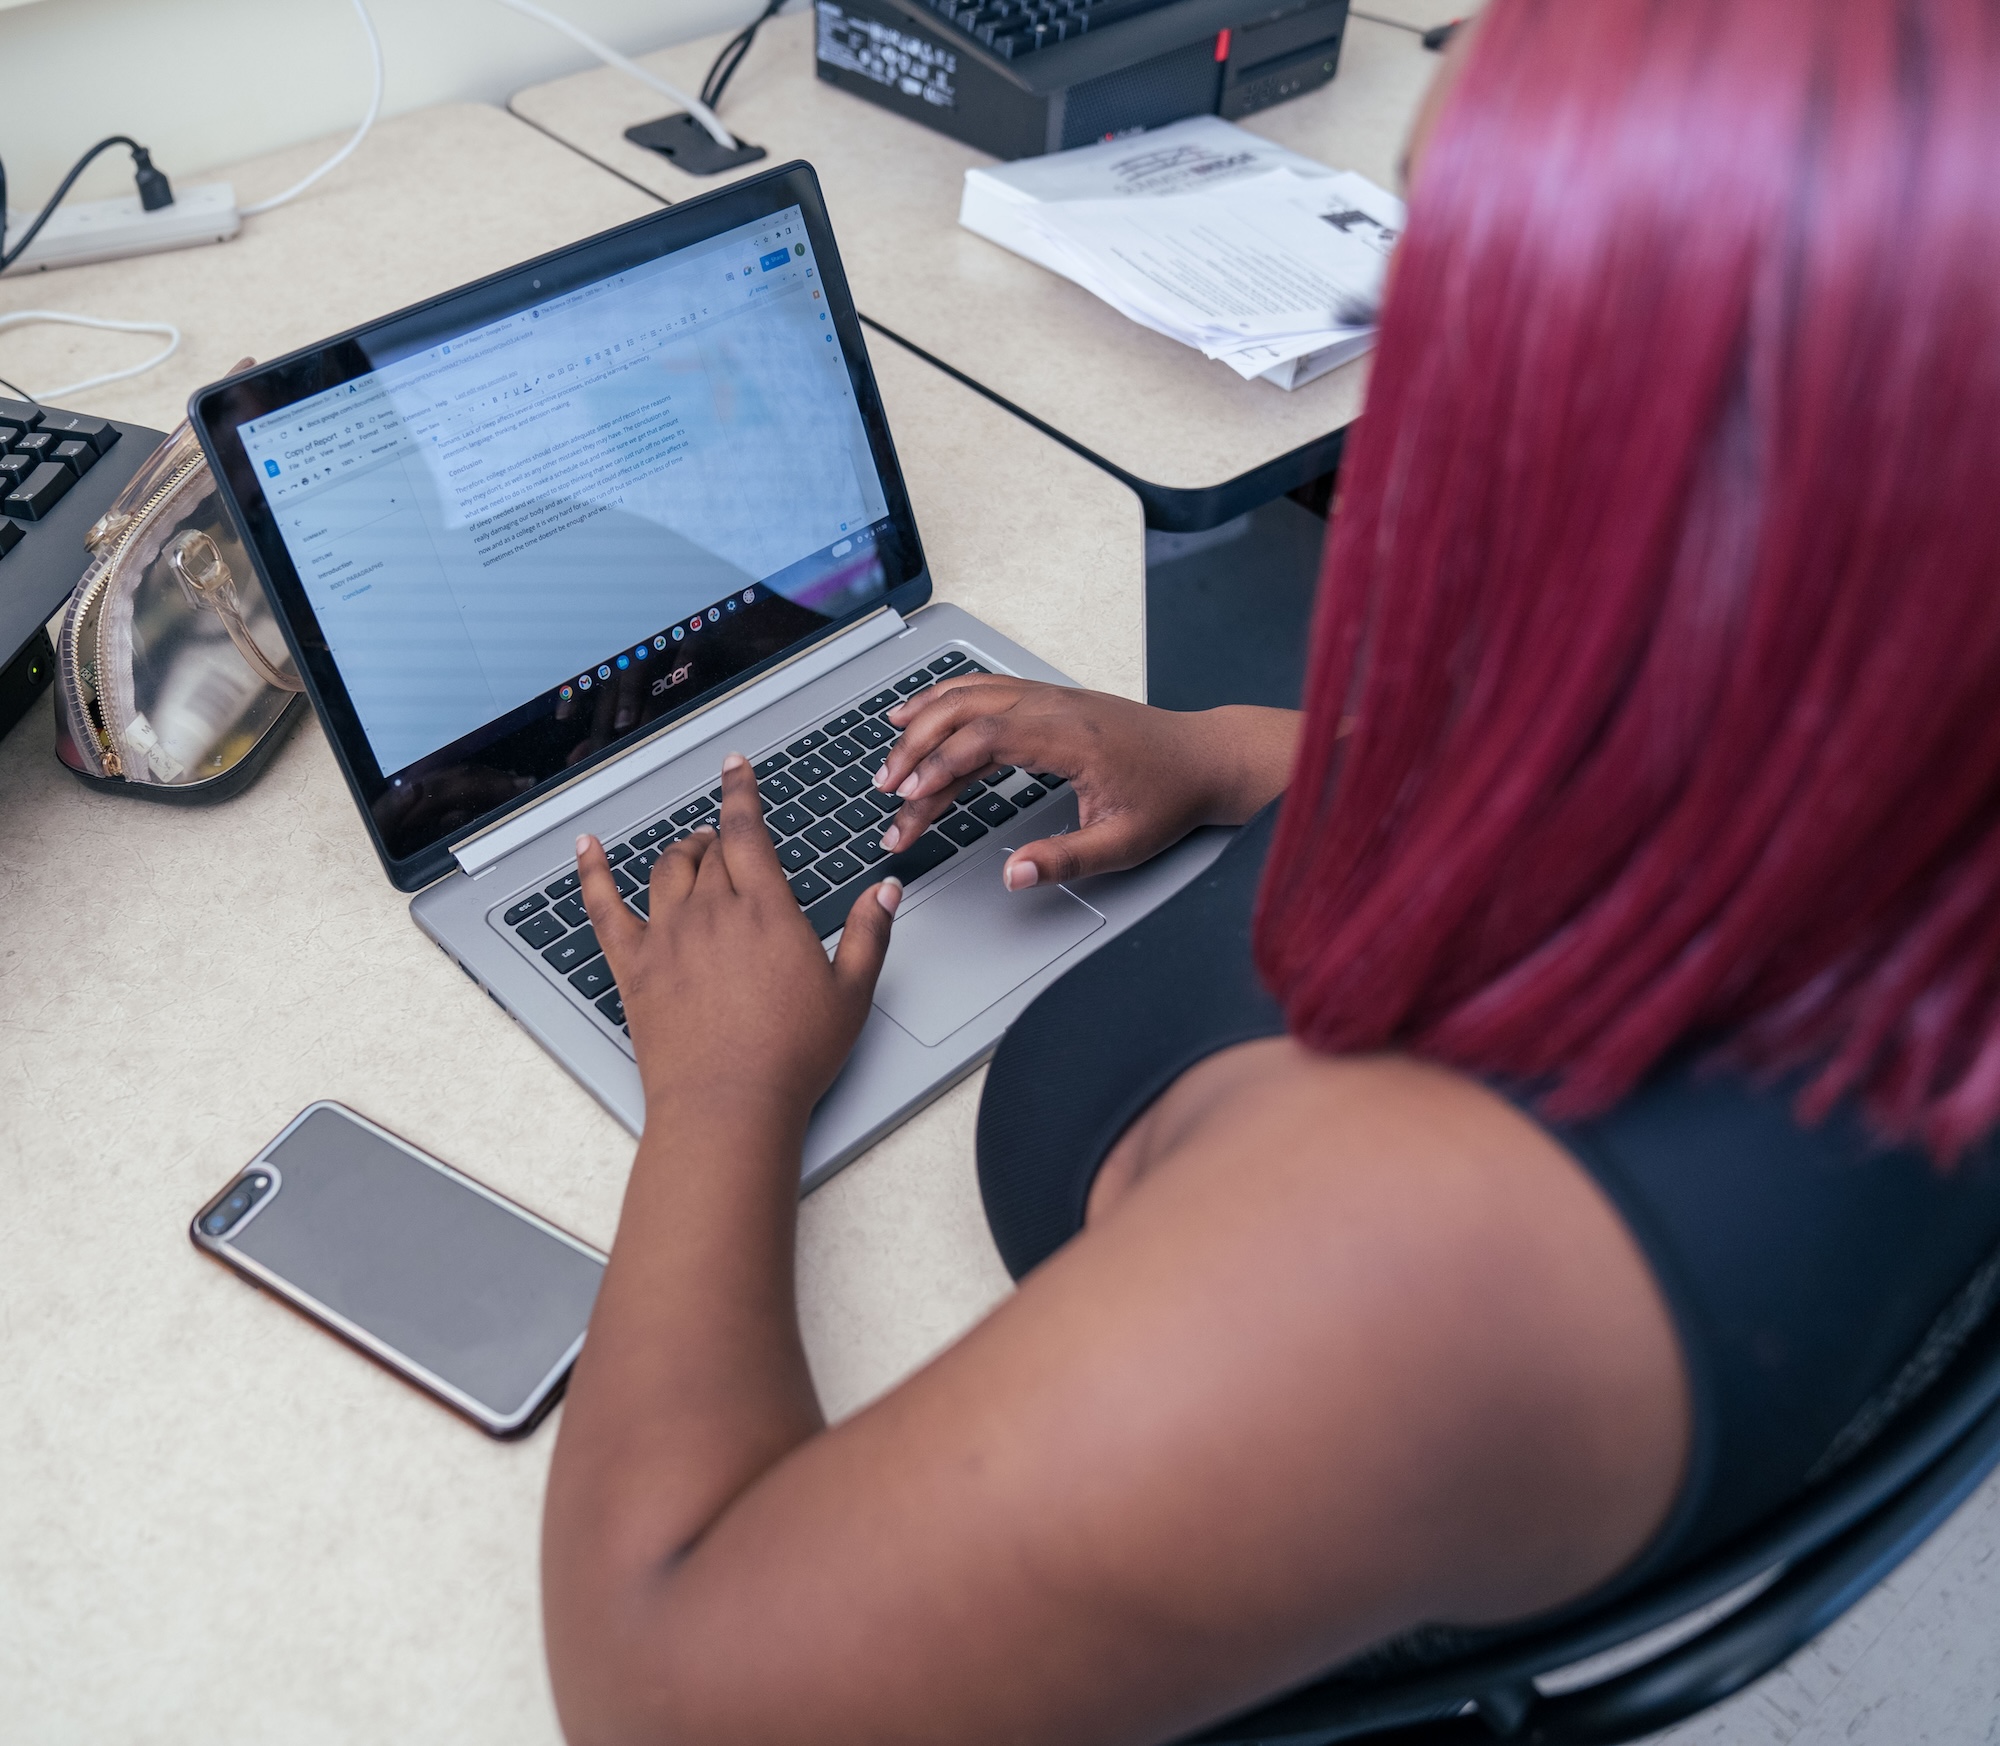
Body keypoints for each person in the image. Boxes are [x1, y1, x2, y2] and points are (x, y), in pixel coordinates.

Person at [540, 0, 2000, 1739]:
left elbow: (669, 1674)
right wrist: (1232, 750)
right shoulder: (1906, 709)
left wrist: (722, 1093)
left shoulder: (1415, 1274)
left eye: (1448, 292)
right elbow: (1676, 754)